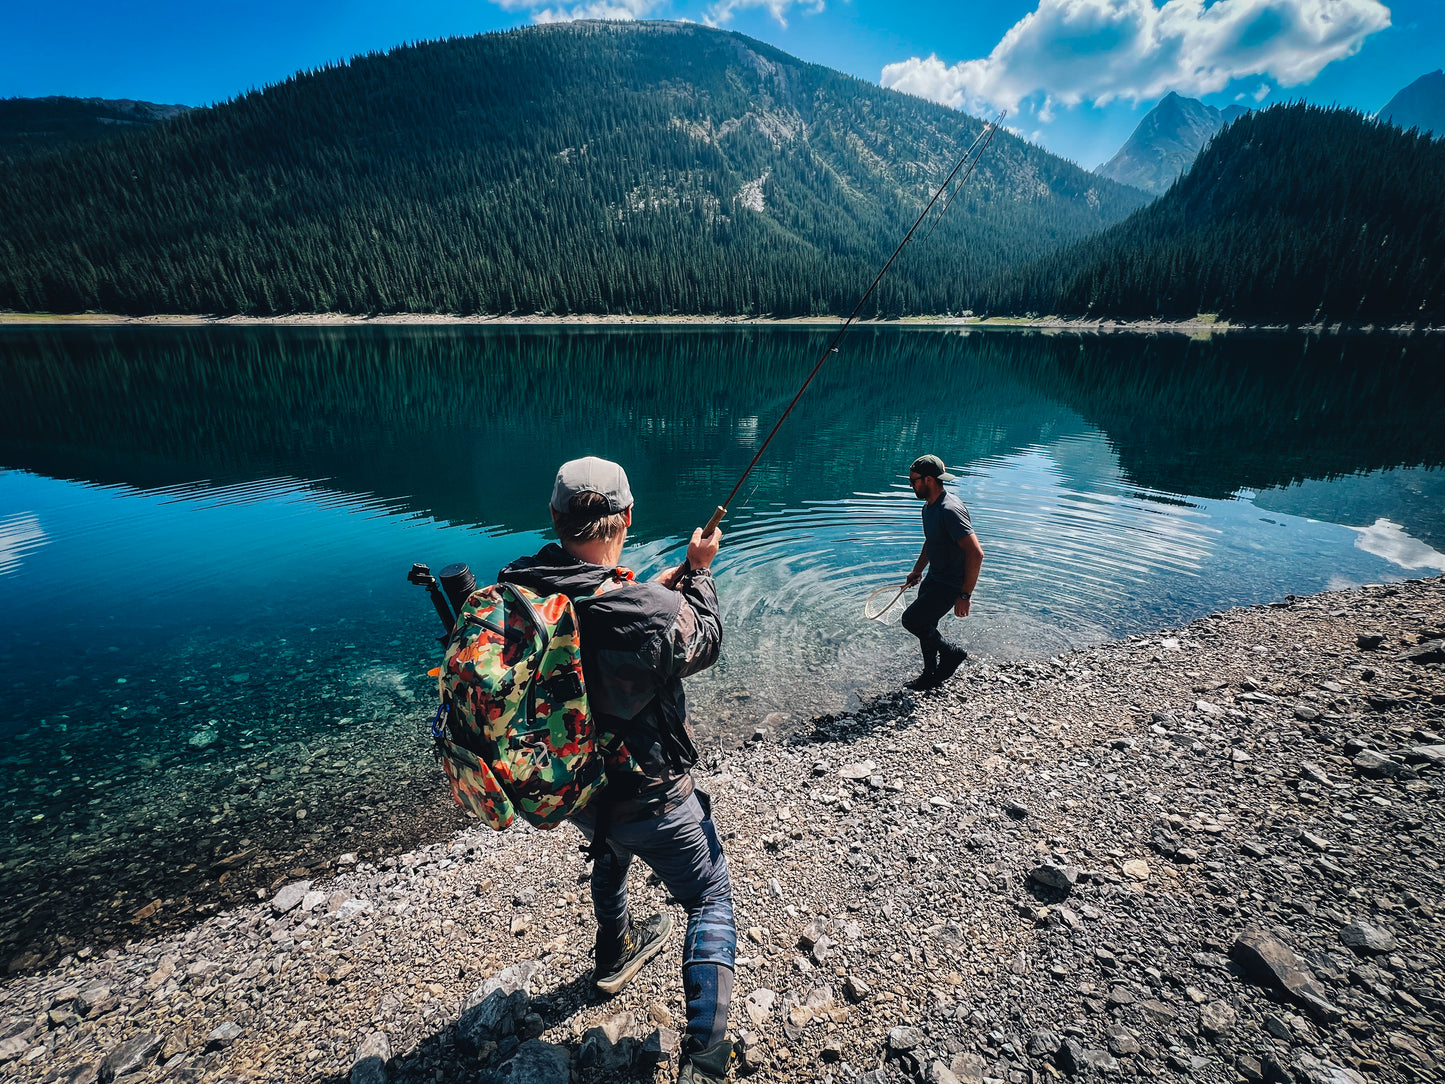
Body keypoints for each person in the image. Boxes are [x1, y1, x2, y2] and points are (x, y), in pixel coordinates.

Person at [497, 456, 736, 1084]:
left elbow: (602, 615)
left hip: (579, 789)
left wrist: (658, 586)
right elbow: (703, 639)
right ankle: (706, 1059)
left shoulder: (521, 586)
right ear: (626, 517)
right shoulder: (642, 608)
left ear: (554, 518)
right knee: (710, 895)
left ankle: (613, 948)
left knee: (610, 848)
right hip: (651, 795)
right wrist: (699, 575)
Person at [901, 454, 984, 691]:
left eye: (913, 481)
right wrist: (917, 570)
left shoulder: (950, 510)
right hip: (934, 577)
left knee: (911, 620)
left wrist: (965, 595)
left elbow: (976, 554)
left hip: (950, 584)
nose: (911, 486)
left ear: (928, 479)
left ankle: (952, 654)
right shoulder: (928, 509)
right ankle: (930, 675)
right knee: (927, 625)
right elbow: (932, 542)